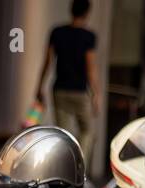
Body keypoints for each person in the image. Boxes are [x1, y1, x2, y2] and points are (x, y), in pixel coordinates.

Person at [36, 0, 100, 167]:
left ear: (71, 11)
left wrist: (39, 86)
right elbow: (91, 68)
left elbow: (47, 62)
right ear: (87, 13)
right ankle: (80, 170)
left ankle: (65, 172)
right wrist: (96, 95)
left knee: (64, 136)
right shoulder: (88, 36)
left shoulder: (57, 32)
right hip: (80, 92)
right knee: (88, 131)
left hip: (60, 90)